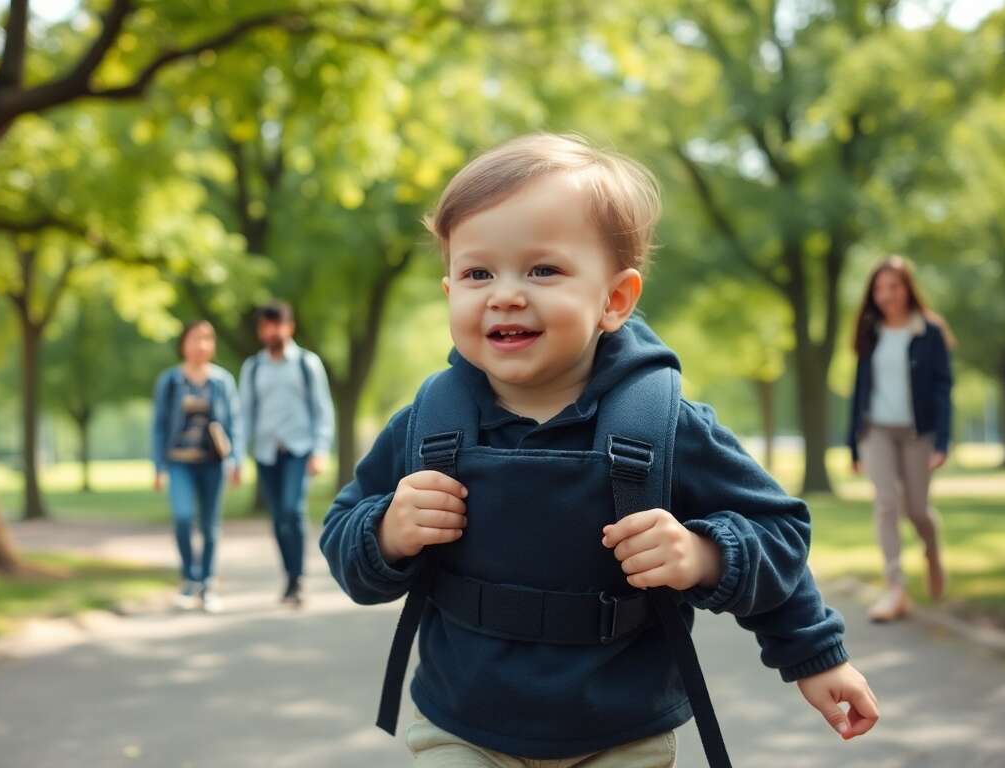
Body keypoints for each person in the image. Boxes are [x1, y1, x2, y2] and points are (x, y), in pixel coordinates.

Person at [320, 134, 878, 768]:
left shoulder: (660, 424)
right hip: (462, 724)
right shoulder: (430, 423)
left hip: (620, 732)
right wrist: (388, 530)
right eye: (478, 273)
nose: (505, 293)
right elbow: (343, 533)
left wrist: (715, 566)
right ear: (451, 292)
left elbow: (776, 533)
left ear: (614, 299)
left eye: (543, 269)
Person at [847, 256, 955, 622]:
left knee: (917, 510)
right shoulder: (870, 330)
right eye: (879, 288)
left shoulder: (929, 331)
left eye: (893, 286)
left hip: (917, 433)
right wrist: (852, 442)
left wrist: (942, 442)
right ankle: (896, 589)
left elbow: (943, 389)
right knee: (886, 502)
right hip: (876, 430)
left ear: (908, 288)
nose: (885, 295)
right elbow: (859, 387)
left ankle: (932, 552)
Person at [237, 301, 335, 608]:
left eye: (276, 324)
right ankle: (290, 578)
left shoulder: (307, 364)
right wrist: (237, 456)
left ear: (289, 327)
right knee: (278, 518)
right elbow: (245, 415)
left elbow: (323, 410)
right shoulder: (253, 368)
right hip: (266, 452)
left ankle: (299, 577)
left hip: (298, 449)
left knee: (293, 511)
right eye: (265, 325)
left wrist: (320, 450)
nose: (271, 331)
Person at [151, 320, 240, 613]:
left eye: (206, 339)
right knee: (183, 517)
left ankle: (208, 583)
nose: (201, 345)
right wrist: (158, 466)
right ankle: (189, 579)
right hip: (179, 463)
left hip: (213, 464)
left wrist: (236, 460)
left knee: (210, 526)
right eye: (194, 338)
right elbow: (159, 425)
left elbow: (234, 424)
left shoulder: (222, 381)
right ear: (184, 343)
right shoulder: (170, 381)